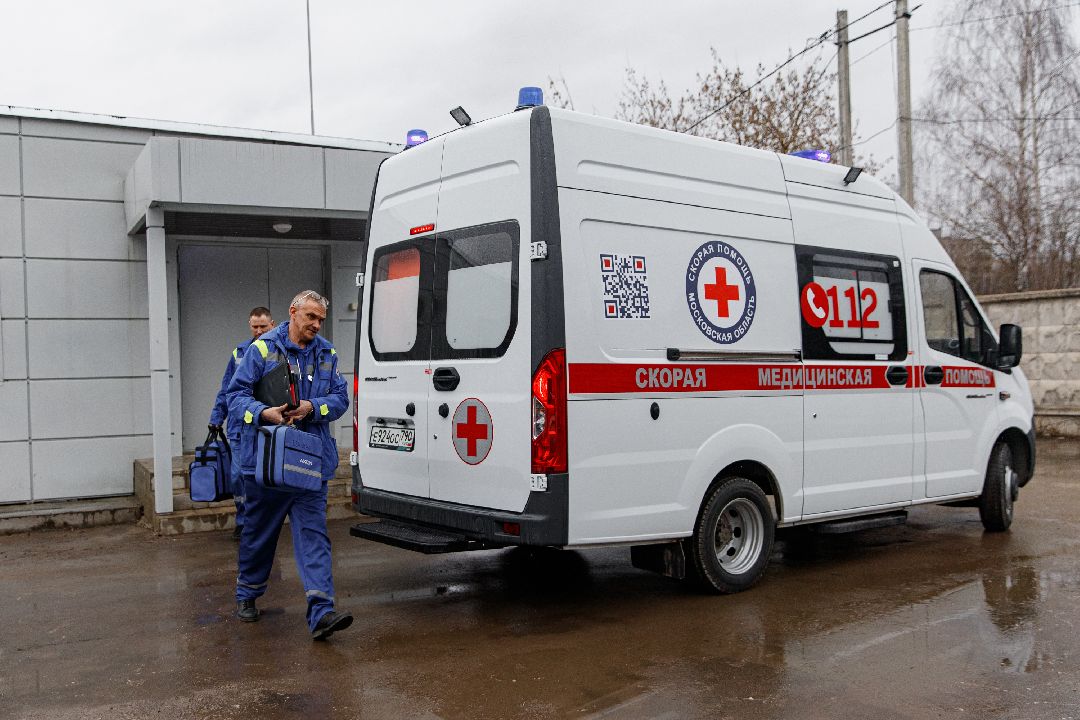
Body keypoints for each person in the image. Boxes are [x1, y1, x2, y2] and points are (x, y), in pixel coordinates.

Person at [226, 290, 352, 640]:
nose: (315, 324)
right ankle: (248, 592)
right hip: (266, 464)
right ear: (293, 312)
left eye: (320, 320)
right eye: (310, 317)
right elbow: (235, 398)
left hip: (309, 464)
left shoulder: (327, 352)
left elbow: (340, 399)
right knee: (259, 534)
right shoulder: (262, 348)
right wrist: (264, 413)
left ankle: (322, 612)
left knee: (314, 536)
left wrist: (312, 407)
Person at [208, 307, 274, 540]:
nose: (258, 331)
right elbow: (227, 389)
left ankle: (262, 521)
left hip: (268, 427)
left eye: (263, 327)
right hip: (239, 428)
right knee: (238, 476)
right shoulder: (240, 353)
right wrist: (216, 418)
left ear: (272, 325)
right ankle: (243, 520)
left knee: (263, 477)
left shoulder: (279, 352)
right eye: (254, 326)